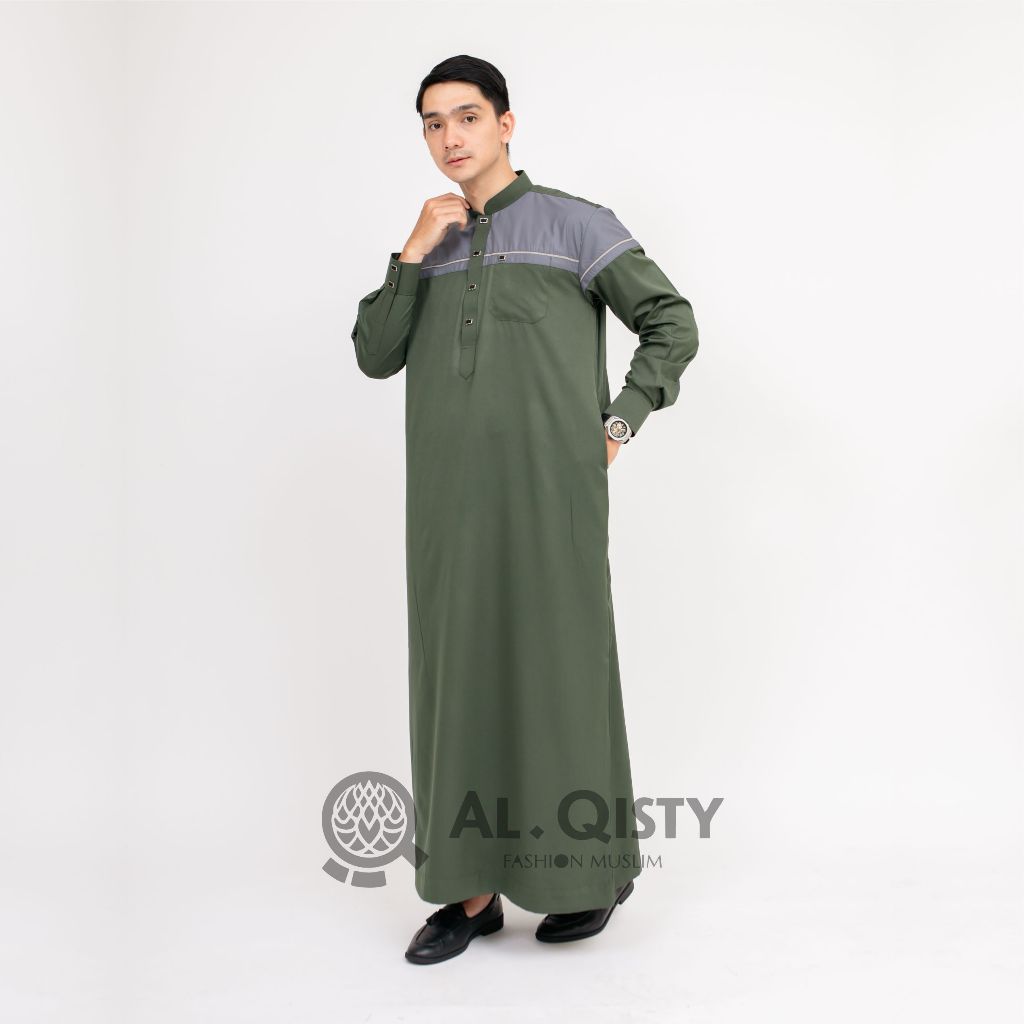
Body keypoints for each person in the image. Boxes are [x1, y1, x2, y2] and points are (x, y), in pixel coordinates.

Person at [350, 54, 699, 964]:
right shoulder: (427, 243)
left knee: (559, 675)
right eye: (433, 123)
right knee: (455, 679)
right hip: (446, 508)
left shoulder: (577, 225)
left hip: (553, 498)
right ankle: (469, 895)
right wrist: (410, 253)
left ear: (506, 123)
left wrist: (620, 420)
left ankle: (590, 873)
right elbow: (375, 355)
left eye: (467, 116)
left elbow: (671, 321)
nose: (450, 137)